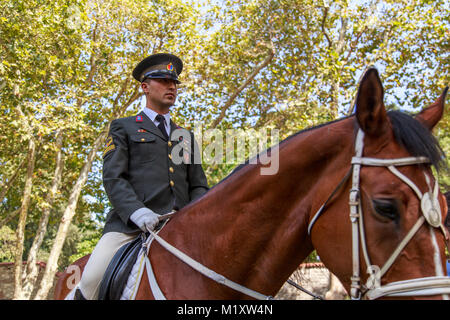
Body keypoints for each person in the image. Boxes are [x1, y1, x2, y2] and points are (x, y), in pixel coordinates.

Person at [74, 53, 209, 300]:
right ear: (145, 87)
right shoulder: (123, 127)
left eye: (174, 83)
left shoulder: (185, 137)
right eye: (164, 81)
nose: (171, 87)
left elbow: (198, 185)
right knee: (91, 281)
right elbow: (114, 178)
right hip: (129, 228)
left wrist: (196, 218)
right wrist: (138, 212)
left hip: (180, 228)